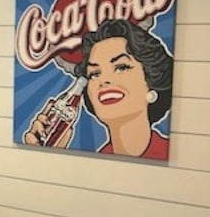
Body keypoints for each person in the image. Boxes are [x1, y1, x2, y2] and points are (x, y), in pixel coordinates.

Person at [24, 18, 173, 159]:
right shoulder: (99, 157)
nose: (104, 81)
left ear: (152, 80)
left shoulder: (167, 156)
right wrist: (46, 152)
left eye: (121, 67)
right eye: (95, 74)